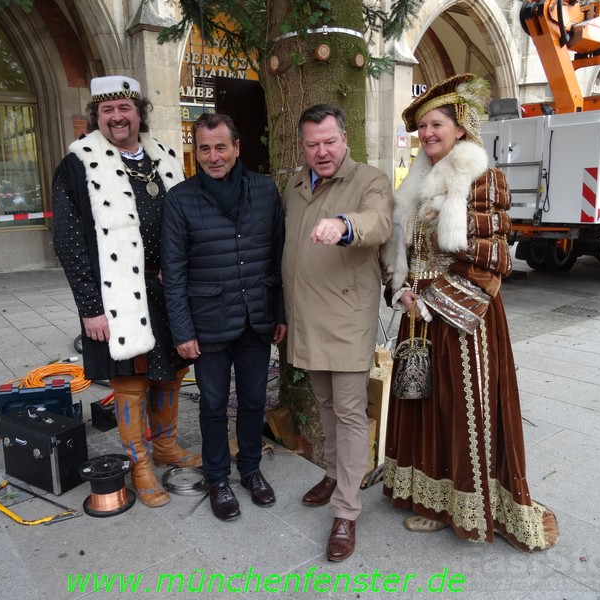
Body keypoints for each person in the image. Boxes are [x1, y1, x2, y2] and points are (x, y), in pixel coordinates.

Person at [380, 73, 559, 551]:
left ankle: (457, 504)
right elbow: (406, 253)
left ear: (460, 128)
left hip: (463, 320)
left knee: (459, 411)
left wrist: (431, 299)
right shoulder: (415, 183)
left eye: (436, 124)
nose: (428, 134)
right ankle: (424, 493)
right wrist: (400, 291)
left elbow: (492, 261)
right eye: (422, 127)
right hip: (418, 313)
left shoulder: (483, 178)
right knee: (421, 405)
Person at [51, 75, 201, 508]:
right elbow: (68, 241)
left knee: (172, 370)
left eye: (125, 108)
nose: (117, 117)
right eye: (107, 111)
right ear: (98, 117)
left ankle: (167, 445)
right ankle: (139, 463)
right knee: (131, 381)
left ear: (139, 112)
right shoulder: (78, 164)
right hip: (120, 292)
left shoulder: (165, 157)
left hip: (169, 287)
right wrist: (90, 308)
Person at [161, 113, 286, 522]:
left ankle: (249, 469)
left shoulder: (266, 190)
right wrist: (182, 330)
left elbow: (279, 257)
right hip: (207, 322)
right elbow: (174, 273)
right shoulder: (180, 199)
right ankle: (217, 478)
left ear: (237, 147)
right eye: (204, 149)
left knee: (252, 400)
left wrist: (280, 313)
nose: (213, 157)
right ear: (195, 152)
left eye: (220, 147)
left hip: (256, 319)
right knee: (213, 404)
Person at [282, 104, 393, 561]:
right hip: (305, 316)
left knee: (348, 413)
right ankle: (334, 473)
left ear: (345, 139)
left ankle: (346, 510)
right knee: (325, 403)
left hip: (348, 318)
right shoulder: (293, 184)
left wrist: (345, 225)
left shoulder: (369, 180)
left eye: (329, 141)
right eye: (312, 144)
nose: (321, 152)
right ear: (303, 146)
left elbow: (378, 222)